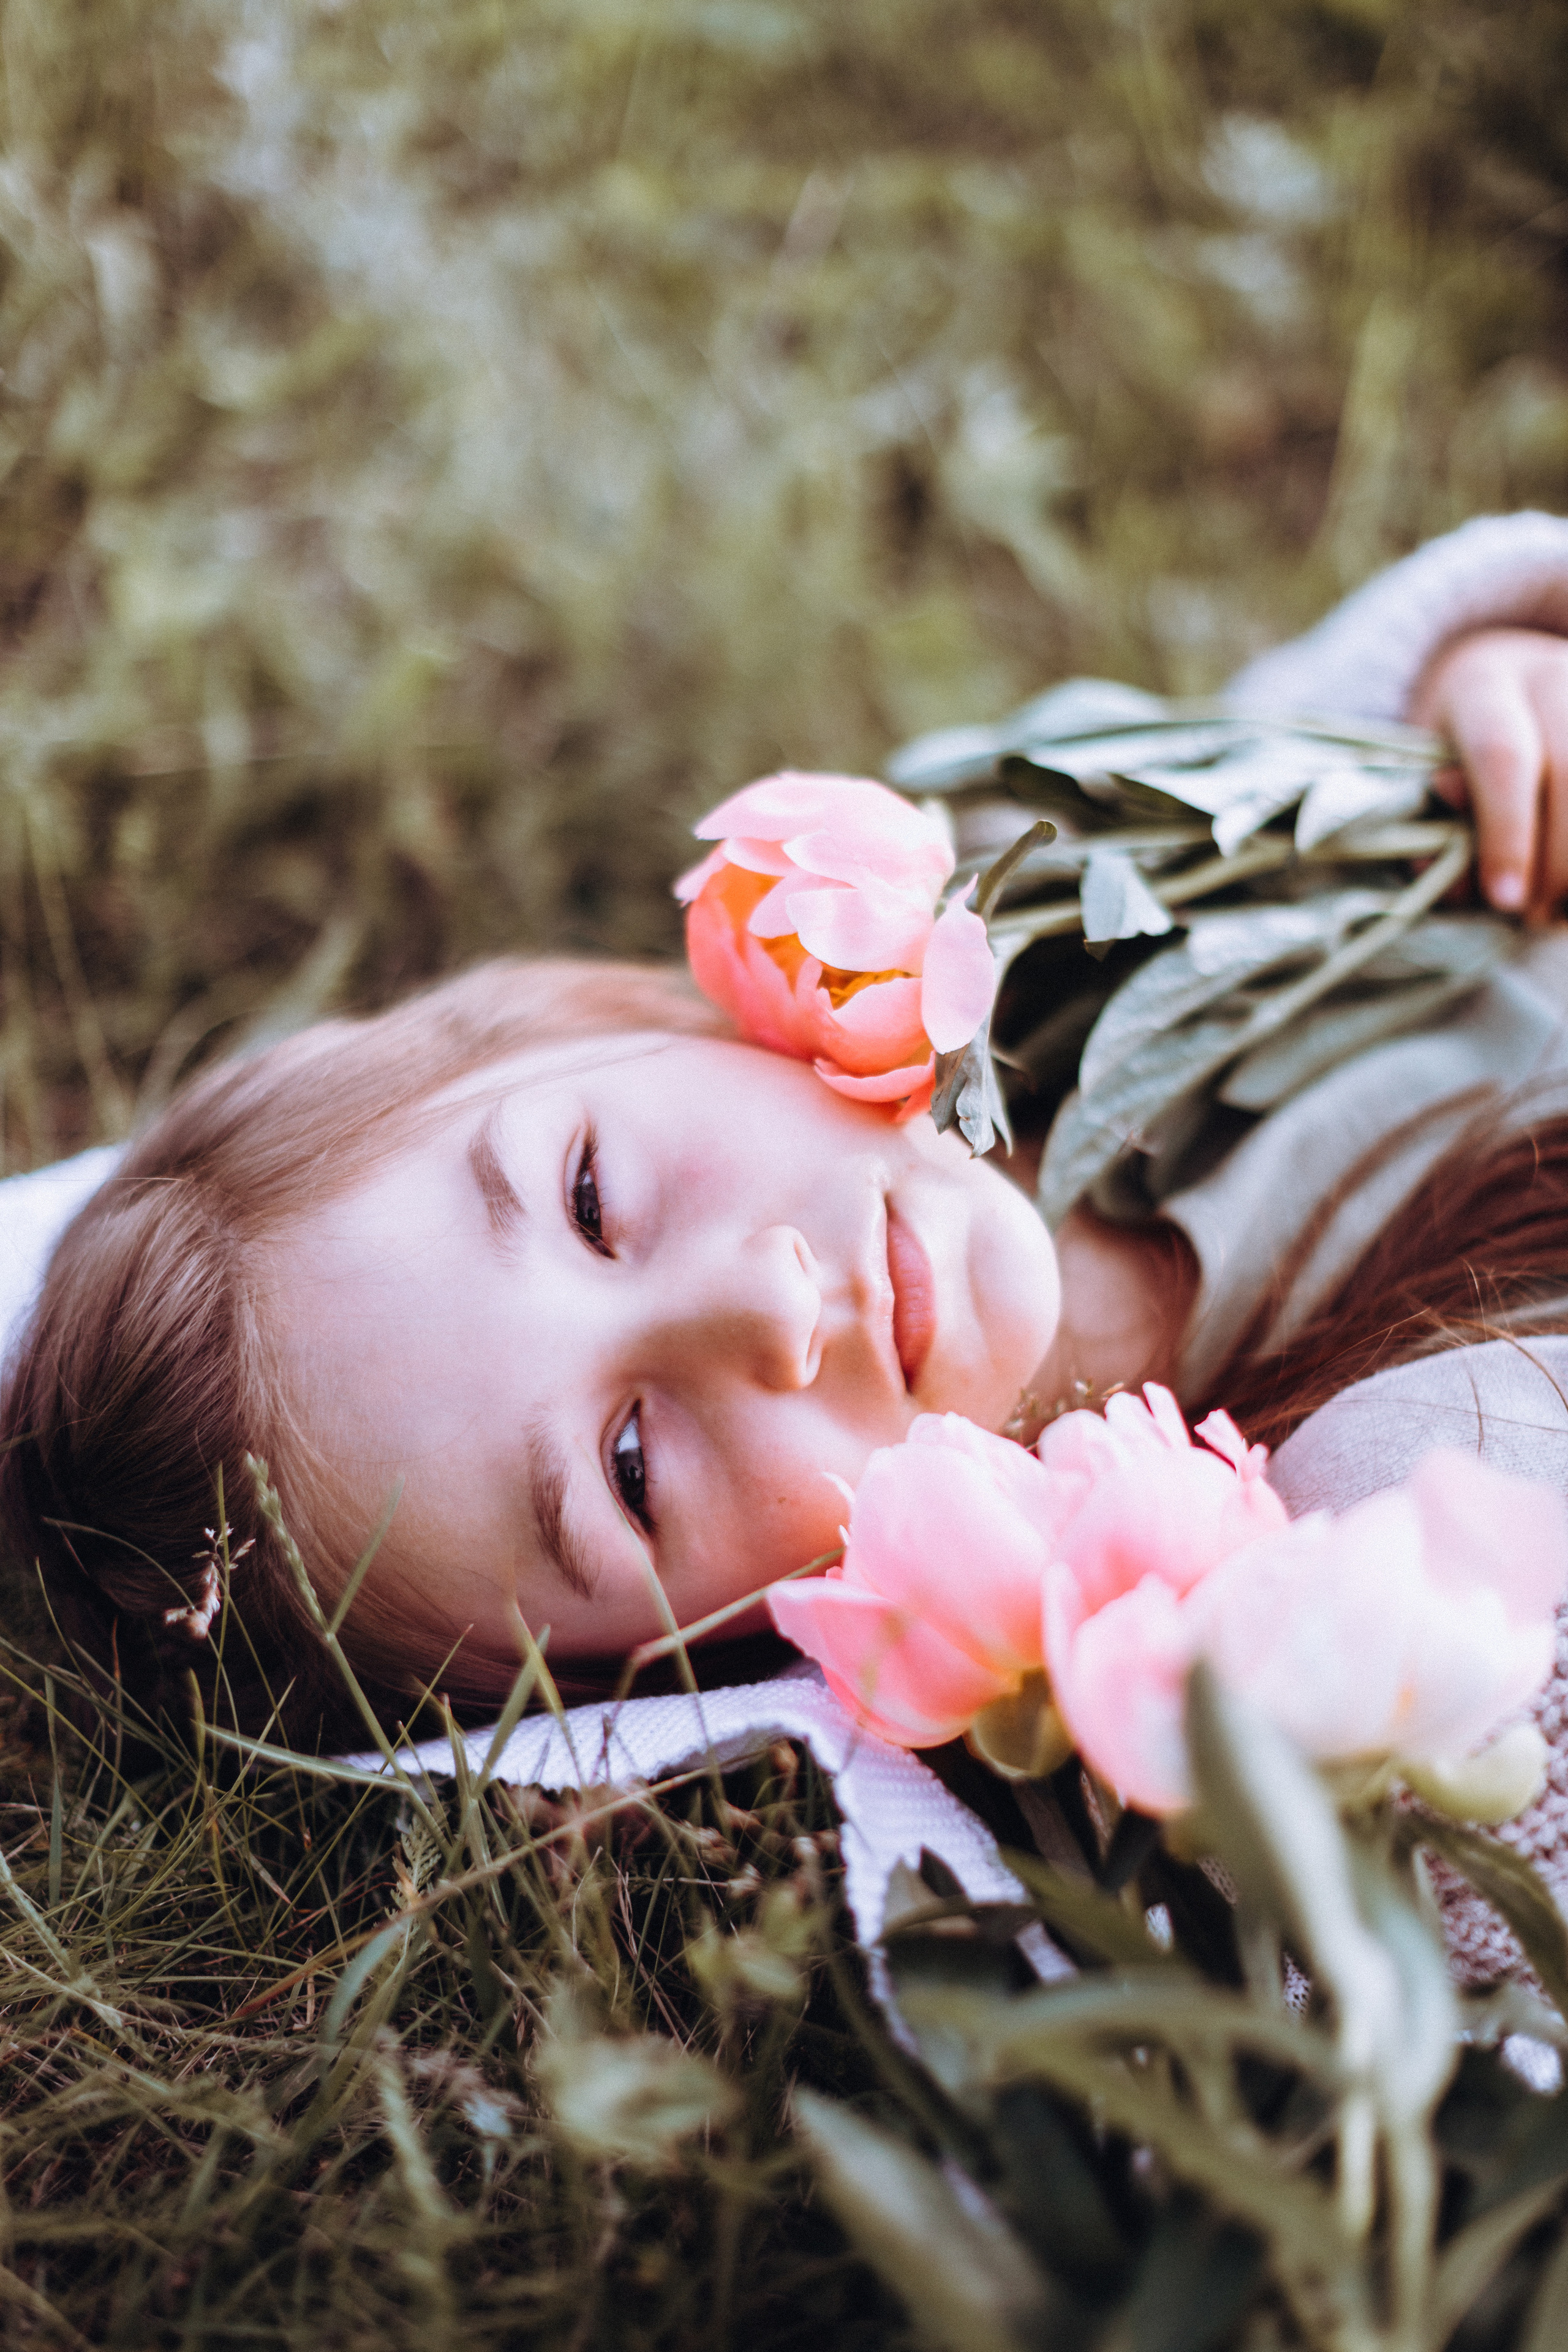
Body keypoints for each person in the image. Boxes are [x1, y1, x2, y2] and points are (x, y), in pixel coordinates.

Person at [5, 510, 1568, 1819]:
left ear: (606, 1019)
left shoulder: (1028, 895)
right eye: (627, 1472)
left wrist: (1480, 687)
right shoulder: (1347, 1551)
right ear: (720, 1660)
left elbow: (1334, 707)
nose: (760, 1298)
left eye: (589, 1199)